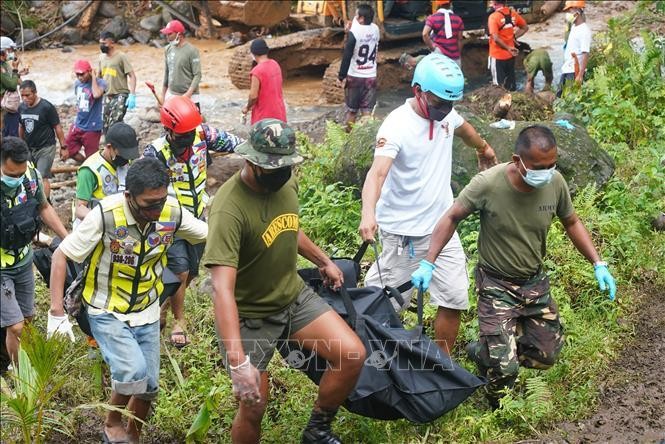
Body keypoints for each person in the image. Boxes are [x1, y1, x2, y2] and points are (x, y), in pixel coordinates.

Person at [412, 125, 617, 409]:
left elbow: (571, 221)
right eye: (537, 167)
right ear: (516, 160)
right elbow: (452, 217)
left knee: (547, 354)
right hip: (496, 284)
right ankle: (496, 404)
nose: (545, 172)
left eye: (550, 165)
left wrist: (598, 263)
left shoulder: (555, 182)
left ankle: (484, 352)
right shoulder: (488, 183)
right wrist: (428, 262)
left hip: (535, 284)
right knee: (505, 370)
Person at [202, 118, 365, 444]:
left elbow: (289, 226)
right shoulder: (229, 209)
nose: (282, 172)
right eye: (273, 167)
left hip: (292, 297)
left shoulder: (284, 182)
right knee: (253, 403)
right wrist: (238, 361)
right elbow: (222, 289)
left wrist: (324, 262)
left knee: (352, 354)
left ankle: (317, 430)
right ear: (250, 161)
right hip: (250, 315)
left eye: (285, 165)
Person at [48, 157, 208, 443]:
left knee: (149, 388)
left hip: (146, 308)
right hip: (106, 308)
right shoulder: (106, 215)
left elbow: (210, 234)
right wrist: (56, 312)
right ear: (129, 196)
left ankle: (132, 435)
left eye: (160, 201)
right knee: (132, 370)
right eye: (149, 204)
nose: (156, 210)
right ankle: (111, 422)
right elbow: (62, 254)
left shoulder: (171, 212)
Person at [358, 53, 498, 355]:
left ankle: (441, 364)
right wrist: (368, 213)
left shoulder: (446, 113)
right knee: (384, 304)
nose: (445, 110)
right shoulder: (396, 125)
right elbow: (377, 173)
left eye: (450, 104)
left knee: (453, 297)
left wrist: (484, 148)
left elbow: (464, 128)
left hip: (443, 228)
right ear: (417, 90)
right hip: (404, 235)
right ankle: (377, 362)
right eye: (438, 104)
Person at [143, 95, 242, 348]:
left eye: (190, 133)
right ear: (168, 131)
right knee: (180, 268)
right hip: (170, 218)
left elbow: (237, 144)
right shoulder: (155, 152)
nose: (187, 138)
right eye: (181, 135)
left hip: (198, 215)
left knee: (191, 272)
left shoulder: (203, 135)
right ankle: (179, 321)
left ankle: (163, 308)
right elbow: (145, 185)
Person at [1, 137, 68, 366]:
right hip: (1, 269)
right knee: (16, 325)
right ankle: (20, 373)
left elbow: (44, 206)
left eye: (19, 173)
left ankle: (13, 357)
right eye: (10, 175)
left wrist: (66, 238)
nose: (16, 179)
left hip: (23, 260)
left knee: (27, 318)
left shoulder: (30, 176)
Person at [74, 122, 139, 226]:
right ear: (110, 147)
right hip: (95, 225)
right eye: (123, 154)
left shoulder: (127, 163)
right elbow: (80, 208)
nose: (127, 159)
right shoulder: (89, 170)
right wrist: (101, 220)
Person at [18, 80, 66, 198]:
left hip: (46, 147)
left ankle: (45, 204)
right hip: (29, 147)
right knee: (30, 175)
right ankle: (34, 202)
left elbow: (57, 127)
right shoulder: (22, 107)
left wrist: (64, 147)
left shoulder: (46, 107)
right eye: (22, 95)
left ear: (35, 93)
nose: (24, 98)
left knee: (42, 175)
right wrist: (21, 145)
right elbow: (21, 126)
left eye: (27, 95)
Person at [337, 4, 380, 129]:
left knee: (352, 111)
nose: (355, 17)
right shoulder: (376, 29)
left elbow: (347, 55)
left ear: (361, 18)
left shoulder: (354, 32)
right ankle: (366, 140)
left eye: (356, 15)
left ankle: (348, 141)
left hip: (355, 76)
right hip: (371, 76)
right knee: (367, 112)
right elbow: (363, 31)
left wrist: (341, 76)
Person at [65, 59, 107, 163]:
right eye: (77, 74)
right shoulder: (77, 84)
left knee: (92, 157)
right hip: (78, 123)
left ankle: (90, 168)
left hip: (92, 127)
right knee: (68, 149)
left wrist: (93, 77)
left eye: (82, 74)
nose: (80, 77)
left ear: (89, 71)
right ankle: (85, 165)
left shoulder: (100, 83)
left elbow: (97, 94)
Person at [98, 31, 137, 133]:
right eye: (100, 43)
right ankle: (110, 145)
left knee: (115, 122)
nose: (102, 46)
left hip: (120, 94)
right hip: (107, 94)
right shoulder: (101, 57)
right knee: (105, 124)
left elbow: (132, 76)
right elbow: (99, 76)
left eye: (104, 43)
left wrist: (132, 95)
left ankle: (119, 145)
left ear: (112, 43)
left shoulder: (121, 57)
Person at [242, 38, 286, 125]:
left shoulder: (257, 71)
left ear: (253, 53)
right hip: (280, 114)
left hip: (264, 118)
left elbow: (253, 96)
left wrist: (247, 107)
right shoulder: (275, 64)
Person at [161, 20, 202, 111]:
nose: (167, 37)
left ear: (179, 35)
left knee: (193, 124)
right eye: (166, 34)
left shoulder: (192, 51)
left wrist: (188, 94)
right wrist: (162, 96)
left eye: (169, 34)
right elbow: (167, 73)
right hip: (172, 94)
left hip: (191, 97)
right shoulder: (168, 49)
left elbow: (197, 75)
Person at [487, 0, 528, 91]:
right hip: (510, 56)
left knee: (498, 87)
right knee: (510, 84)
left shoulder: (493, 17)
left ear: (494, 3)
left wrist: (508, 48)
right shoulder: (513, 14)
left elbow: (496, 38)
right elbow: (525, 28)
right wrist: (514, 37)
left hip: (497, 56)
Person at [558, 1, 591, 97]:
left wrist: (580, 75)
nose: (568, 13)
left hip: (574, 72)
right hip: (567, 69)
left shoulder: (584, 30)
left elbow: (585, 53)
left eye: (570, 10)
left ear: (578, 11)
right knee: (560, 98)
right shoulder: (574, 27)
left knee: (569, 100)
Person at [422, 0, 464, 66]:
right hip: (455, 57)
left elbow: (425, 34)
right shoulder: (458, 19)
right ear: (450, 3)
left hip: (439, 54)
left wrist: (432, 47)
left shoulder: (432, 18)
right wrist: (457, 53)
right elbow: (460, 39)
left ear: (438, 4)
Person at [1, 36, 28, 138]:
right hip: (4, 105)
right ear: (2, 51)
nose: (11, 53)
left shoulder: (5, 65)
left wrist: (19, 73)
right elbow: (11, 85)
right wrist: (16, 69)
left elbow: (12, 79)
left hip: (9, 104)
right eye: (9, 50)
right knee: (8, 133)